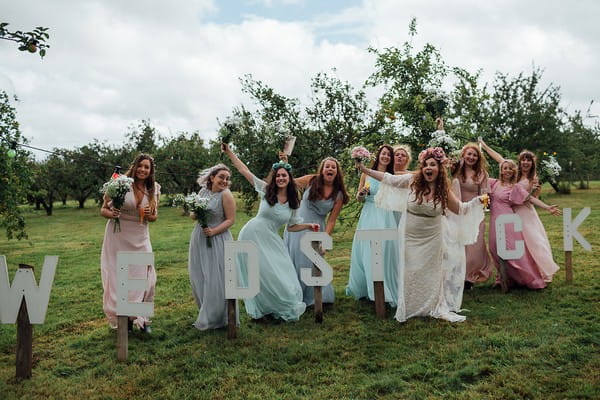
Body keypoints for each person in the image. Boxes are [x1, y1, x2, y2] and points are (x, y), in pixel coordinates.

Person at [357, 147, 485, 322]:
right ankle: (411, 306)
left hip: (433, 237)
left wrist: (478, 202)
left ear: (439, 170)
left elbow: (460, 209)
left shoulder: (443, 190)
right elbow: (389, 179)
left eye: (433, 165)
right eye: (426, 165)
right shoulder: (411, 181)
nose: (428, 168)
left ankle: (431, 305)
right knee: (410, 270)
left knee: (432, 273)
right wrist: (364, 170)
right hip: (410, 235)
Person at [222, 143, 316, 321]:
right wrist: (229, 152)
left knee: (278, 272)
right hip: (251, 234)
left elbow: (291, 226)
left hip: (271, 238)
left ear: (289, 178)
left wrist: (308, 226)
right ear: (275, 178)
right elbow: (244, 170)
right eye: (278, 175)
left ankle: (278, 306)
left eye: (284, 176)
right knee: (258, 273)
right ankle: (261, 311)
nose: (281, 178)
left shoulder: (293, 202)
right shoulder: (266, 190)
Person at [480, 140, 560, 282]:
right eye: (523, 159)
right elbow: (498, 158)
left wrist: (545, 205)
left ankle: (537, 271)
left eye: (528, 160)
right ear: (520, 162)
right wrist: (485, 146)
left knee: (532, 243)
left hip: (524, 212)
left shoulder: (533, 179)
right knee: (509, 243)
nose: (525, 162)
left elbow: (531, 197)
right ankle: (508, 274)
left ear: (532, 163)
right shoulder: (512, 172)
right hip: (509, 210)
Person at [100, 154, 159, 333]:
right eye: (140, 166)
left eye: (146, 167)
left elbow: (154, 217)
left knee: (145, 278)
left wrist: (149, 214)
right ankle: (124, 319)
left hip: (140, 237)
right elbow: (103, 209)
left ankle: (142, 319)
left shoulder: (154, 188)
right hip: (118, 235)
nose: (143, 170)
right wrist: (113, 214)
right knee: (120, 278)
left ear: (150, 171)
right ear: (134, 167)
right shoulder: (119, 183)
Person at [281, 156, 350, 306]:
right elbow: (290, 182)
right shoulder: (312, 180)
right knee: (296, 259)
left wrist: (325, 240)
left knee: (311, 261)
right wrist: (286, 165)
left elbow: (331, 220)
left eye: (333, 167)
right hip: (298, 224)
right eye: (327, 166)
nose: (330, 169)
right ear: (322, 170)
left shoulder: (338, 194)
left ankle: (313, 297)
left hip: (316, 228)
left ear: (337, 172)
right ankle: (294, 294)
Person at [346, 144, 399, 306]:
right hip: (369, 215)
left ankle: (382, 289)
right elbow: (359, 198)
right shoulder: (366, 173)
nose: (385, 157)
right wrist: (361, 194)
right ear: (378, 155)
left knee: (383, 252)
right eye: (383, 154)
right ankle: (368, 288)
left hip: (384, 216)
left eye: (389, 155)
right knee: (367, 252)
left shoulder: (391, 175)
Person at [188, 164, 236, 330]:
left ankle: (218, 317)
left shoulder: (226, 195)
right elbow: (193, 216)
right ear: (211, 178)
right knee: (199, 275)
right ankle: (205, 311)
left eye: (227, 178)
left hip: (218, 238)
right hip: (200, 237)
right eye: (221, 177)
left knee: (216, 278)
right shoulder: (203, 192)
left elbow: (231, 220)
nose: (224, 181)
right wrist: (195, 210)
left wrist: (213, 231)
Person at [450, 143, 493, 288]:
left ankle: (469, 276)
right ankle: (457, 273)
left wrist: (485, 211)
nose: (471, 157)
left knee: (475, 244)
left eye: (475, 155)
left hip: (475, 212)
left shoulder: (482, 174)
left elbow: (485, 193)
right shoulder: (455, 170)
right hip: (458, 210)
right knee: (460, 243)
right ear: (463, 155)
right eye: (469, 154)